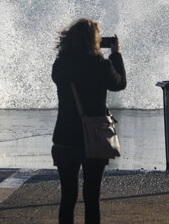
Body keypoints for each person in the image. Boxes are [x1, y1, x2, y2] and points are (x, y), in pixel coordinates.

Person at [51, 18, 126, 224]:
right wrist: (116, 54)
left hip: (65, 137)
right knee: (92, 196)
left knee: (68, 197)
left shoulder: (61, 65)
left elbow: (63, 69)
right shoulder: (100, 65)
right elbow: (120, 84)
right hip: (94, 136)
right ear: (95, 41)